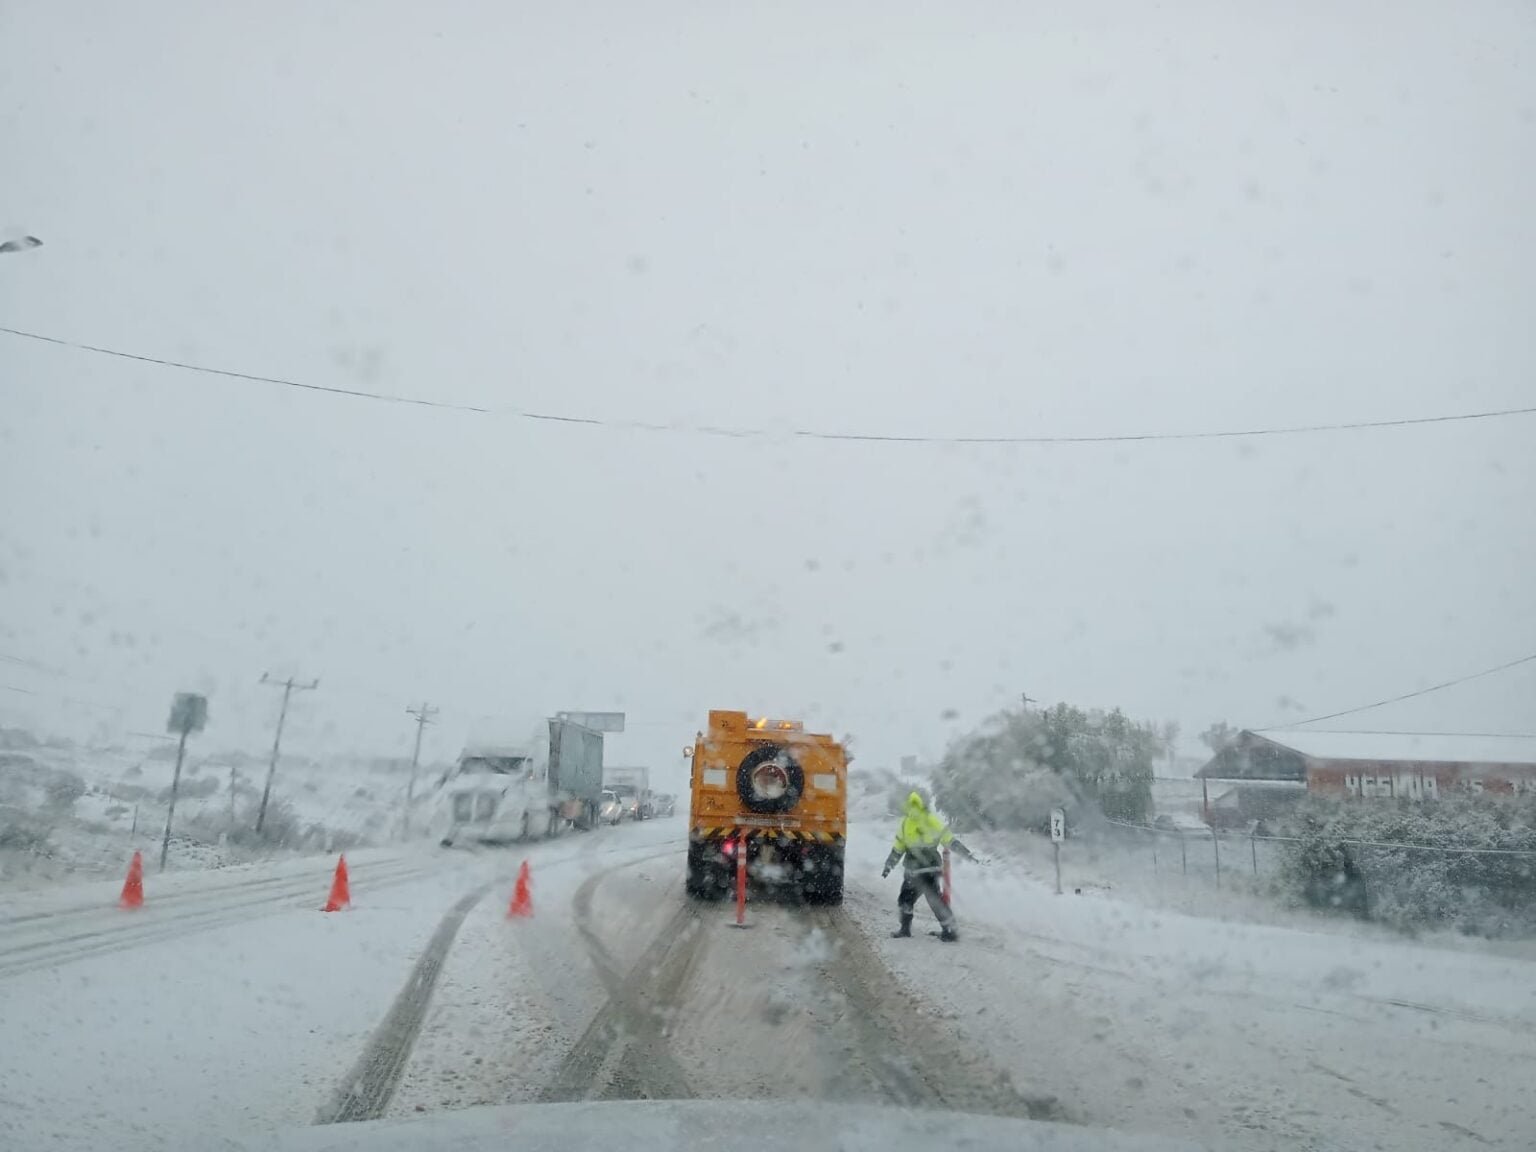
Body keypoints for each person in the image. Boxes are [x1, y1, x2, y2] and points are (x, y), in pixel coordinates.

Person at [881, 791, 980, 942]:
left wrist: (889, 865)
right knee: (935, 900)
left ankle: (905, 929)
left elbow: (898, 848)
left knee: (906, 899)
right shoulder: (931, 819)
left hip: (913, 870)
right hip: (932, 868)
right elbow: (948, 839)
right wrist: (966, 854)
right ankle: (949, 930)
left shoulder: (905, 823)